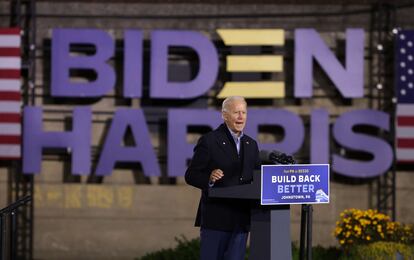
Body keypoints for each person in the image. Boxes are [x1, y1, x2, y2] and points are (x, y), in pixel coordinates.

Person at [185, 96, 260, 260]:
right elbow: (191, 175)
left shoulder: (251, 144)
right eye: (236, 112)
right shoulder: (210, 141)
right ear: (225, 115)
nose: (241, 117)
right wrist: (209, 178)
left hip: (240, 221)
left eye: (243, 112)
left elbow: (257, 178)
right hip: (216, 220)